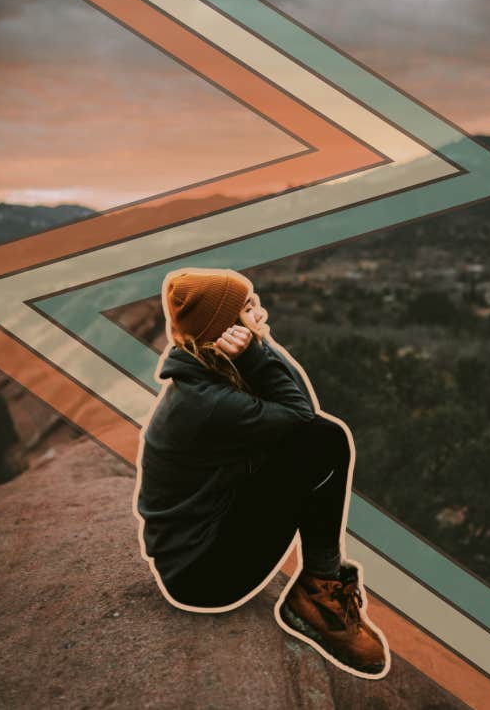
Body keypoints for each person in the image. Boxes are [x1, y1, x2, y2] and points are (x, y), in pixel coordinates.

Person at [134, 267, 391, 679]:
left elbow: (299, 409)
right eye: (249, 308)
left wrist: (256, 347)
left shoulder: (205, 374)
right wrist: (256, 351)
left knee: (316, 438)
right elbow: (303, 417)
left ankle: (318, 585)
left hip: (196, 553)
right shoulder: (207, 403)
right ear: (225, 330)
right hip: (204, 575)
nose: (262, 313)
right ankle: (317, 594)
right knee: (324, 440)